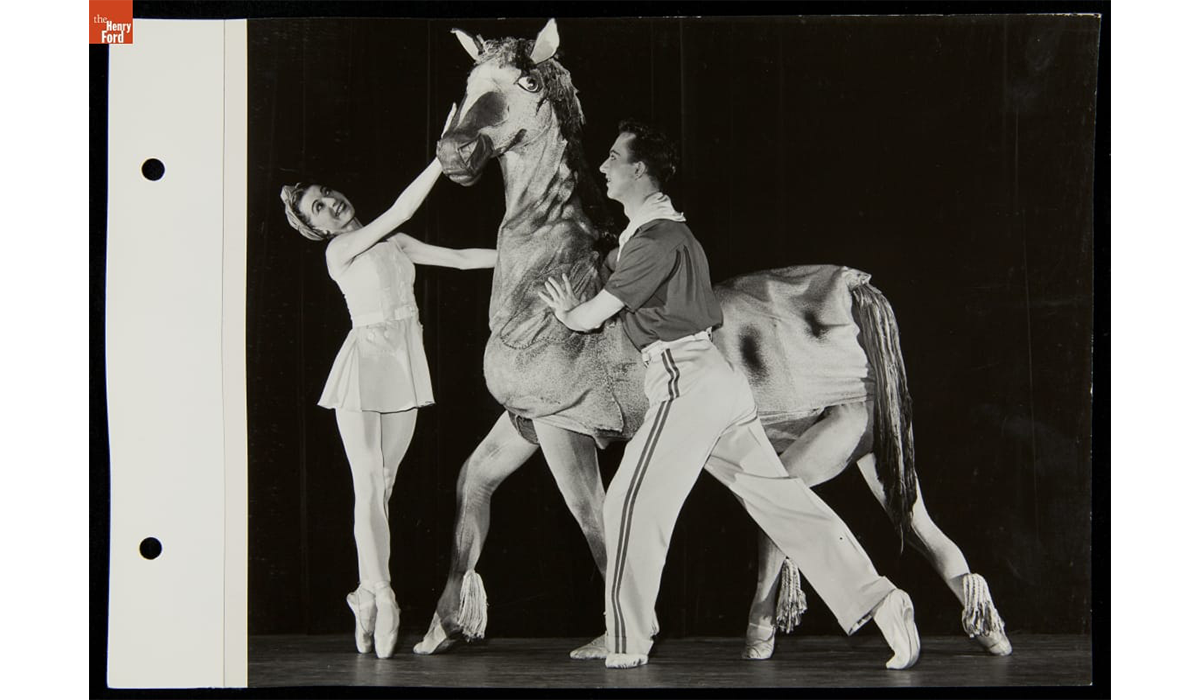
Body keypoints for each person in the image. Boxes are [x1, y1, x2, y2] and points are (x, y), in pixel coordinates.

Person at [539, 120, 921, 670]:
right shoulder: (669, 233)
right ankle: (880, 599)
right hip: (716, 382)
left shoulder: (656, 240)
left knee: (626, 502)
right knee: (782, 502)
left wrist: (565, 312)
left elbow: (590, 318)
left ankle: (625, 639)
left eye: (612, 157)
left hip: (685, 381)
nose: (603, 167)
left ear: (639, 169)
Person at [279, 105, 497, 659]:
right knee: (369, 485)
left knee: (385, 488)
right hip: (364, 366)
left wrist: (527, 257)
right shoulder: (339, 251)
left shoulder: (395, 247)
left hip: (404, 362)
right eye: (318, 209)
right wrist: (441, 155)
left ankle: (361, 593)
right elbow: (402, 207)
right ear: (317, 229)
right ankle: (382, 592)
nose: (331, 204)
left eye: (327, 194)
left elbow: (462, 258)